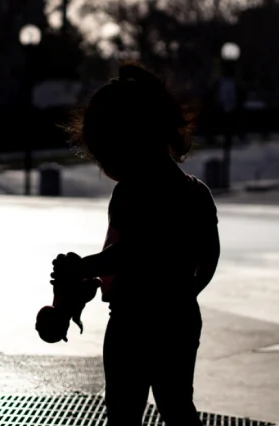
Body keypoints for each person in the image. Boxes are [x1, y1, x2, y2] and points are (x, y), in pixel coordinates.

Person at [51, 63, 221, 426]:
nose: (103, 165)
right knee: (177, 403)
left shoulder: (131, 193)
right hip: (180, 317)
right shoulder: (196, 192)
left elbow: (129, 253)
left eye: (103, 155)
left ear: (127, 144)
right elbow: (210, 256)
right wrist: (187, 290)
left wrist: (84, 268)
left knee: (124, 407)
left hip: (132, 321)